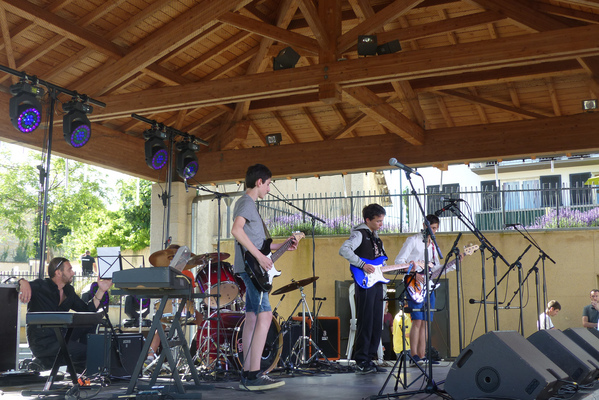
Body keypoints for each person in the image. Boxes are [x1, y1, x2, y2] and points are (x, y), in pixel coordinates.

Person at [232, 164, 297, 391]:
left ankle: (248, 373)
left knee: (252, 317)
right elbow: (236, 230)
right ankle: (254, 374)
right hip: (251, 268)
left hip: (249, 267)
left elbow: (261, 244)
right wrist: (260, 257)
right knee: (265, 315)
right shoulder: (246, 202)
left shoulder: (249, 205)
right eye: (268, 184)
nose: (269, 189)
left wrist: (283, 245)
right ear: (259, 182)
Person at [17, 257, 112, 370]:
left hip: (61, 335)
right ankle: (46, 362)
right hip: (42, 342)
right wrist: (22, 281)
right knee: (89, 351)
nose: (73, 272)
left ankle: (64, 367)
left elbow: (87, 311)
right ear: (58, 273)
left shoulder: (69, 291)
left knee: (89, 325)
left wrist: (101, 290)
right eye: (69, 269)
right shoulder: (41, 286)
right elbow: (12, 284)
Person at [395, 214, 460, 366]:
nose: (433, 231)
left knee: (426, 322)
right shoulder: (413, 240)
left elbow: (436, 269)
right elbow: (399, 261)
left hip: (428, 285)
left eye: (435, 228)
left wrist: (453, 263)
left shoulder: (433, 245)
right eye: (431, 228)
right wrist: (414, 272)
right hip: (413, 284)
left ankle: (422, 355)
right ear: (424, 226)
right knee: (417, 320)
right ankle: (413, 356)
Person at [339, 203, 389, 374]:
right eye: (378, 221)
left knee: (376, 322)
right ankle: (361, 360)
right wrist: (362, 264)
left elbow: (381, 261)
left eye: (382, 221)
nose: (381, 224)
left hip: (377, 282)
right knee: (366, 320)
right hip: (365, 282)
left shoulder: (377, 239)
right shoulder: (359, 234)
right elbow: (344, 250)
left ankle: (369, 359)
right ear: (368, 220)